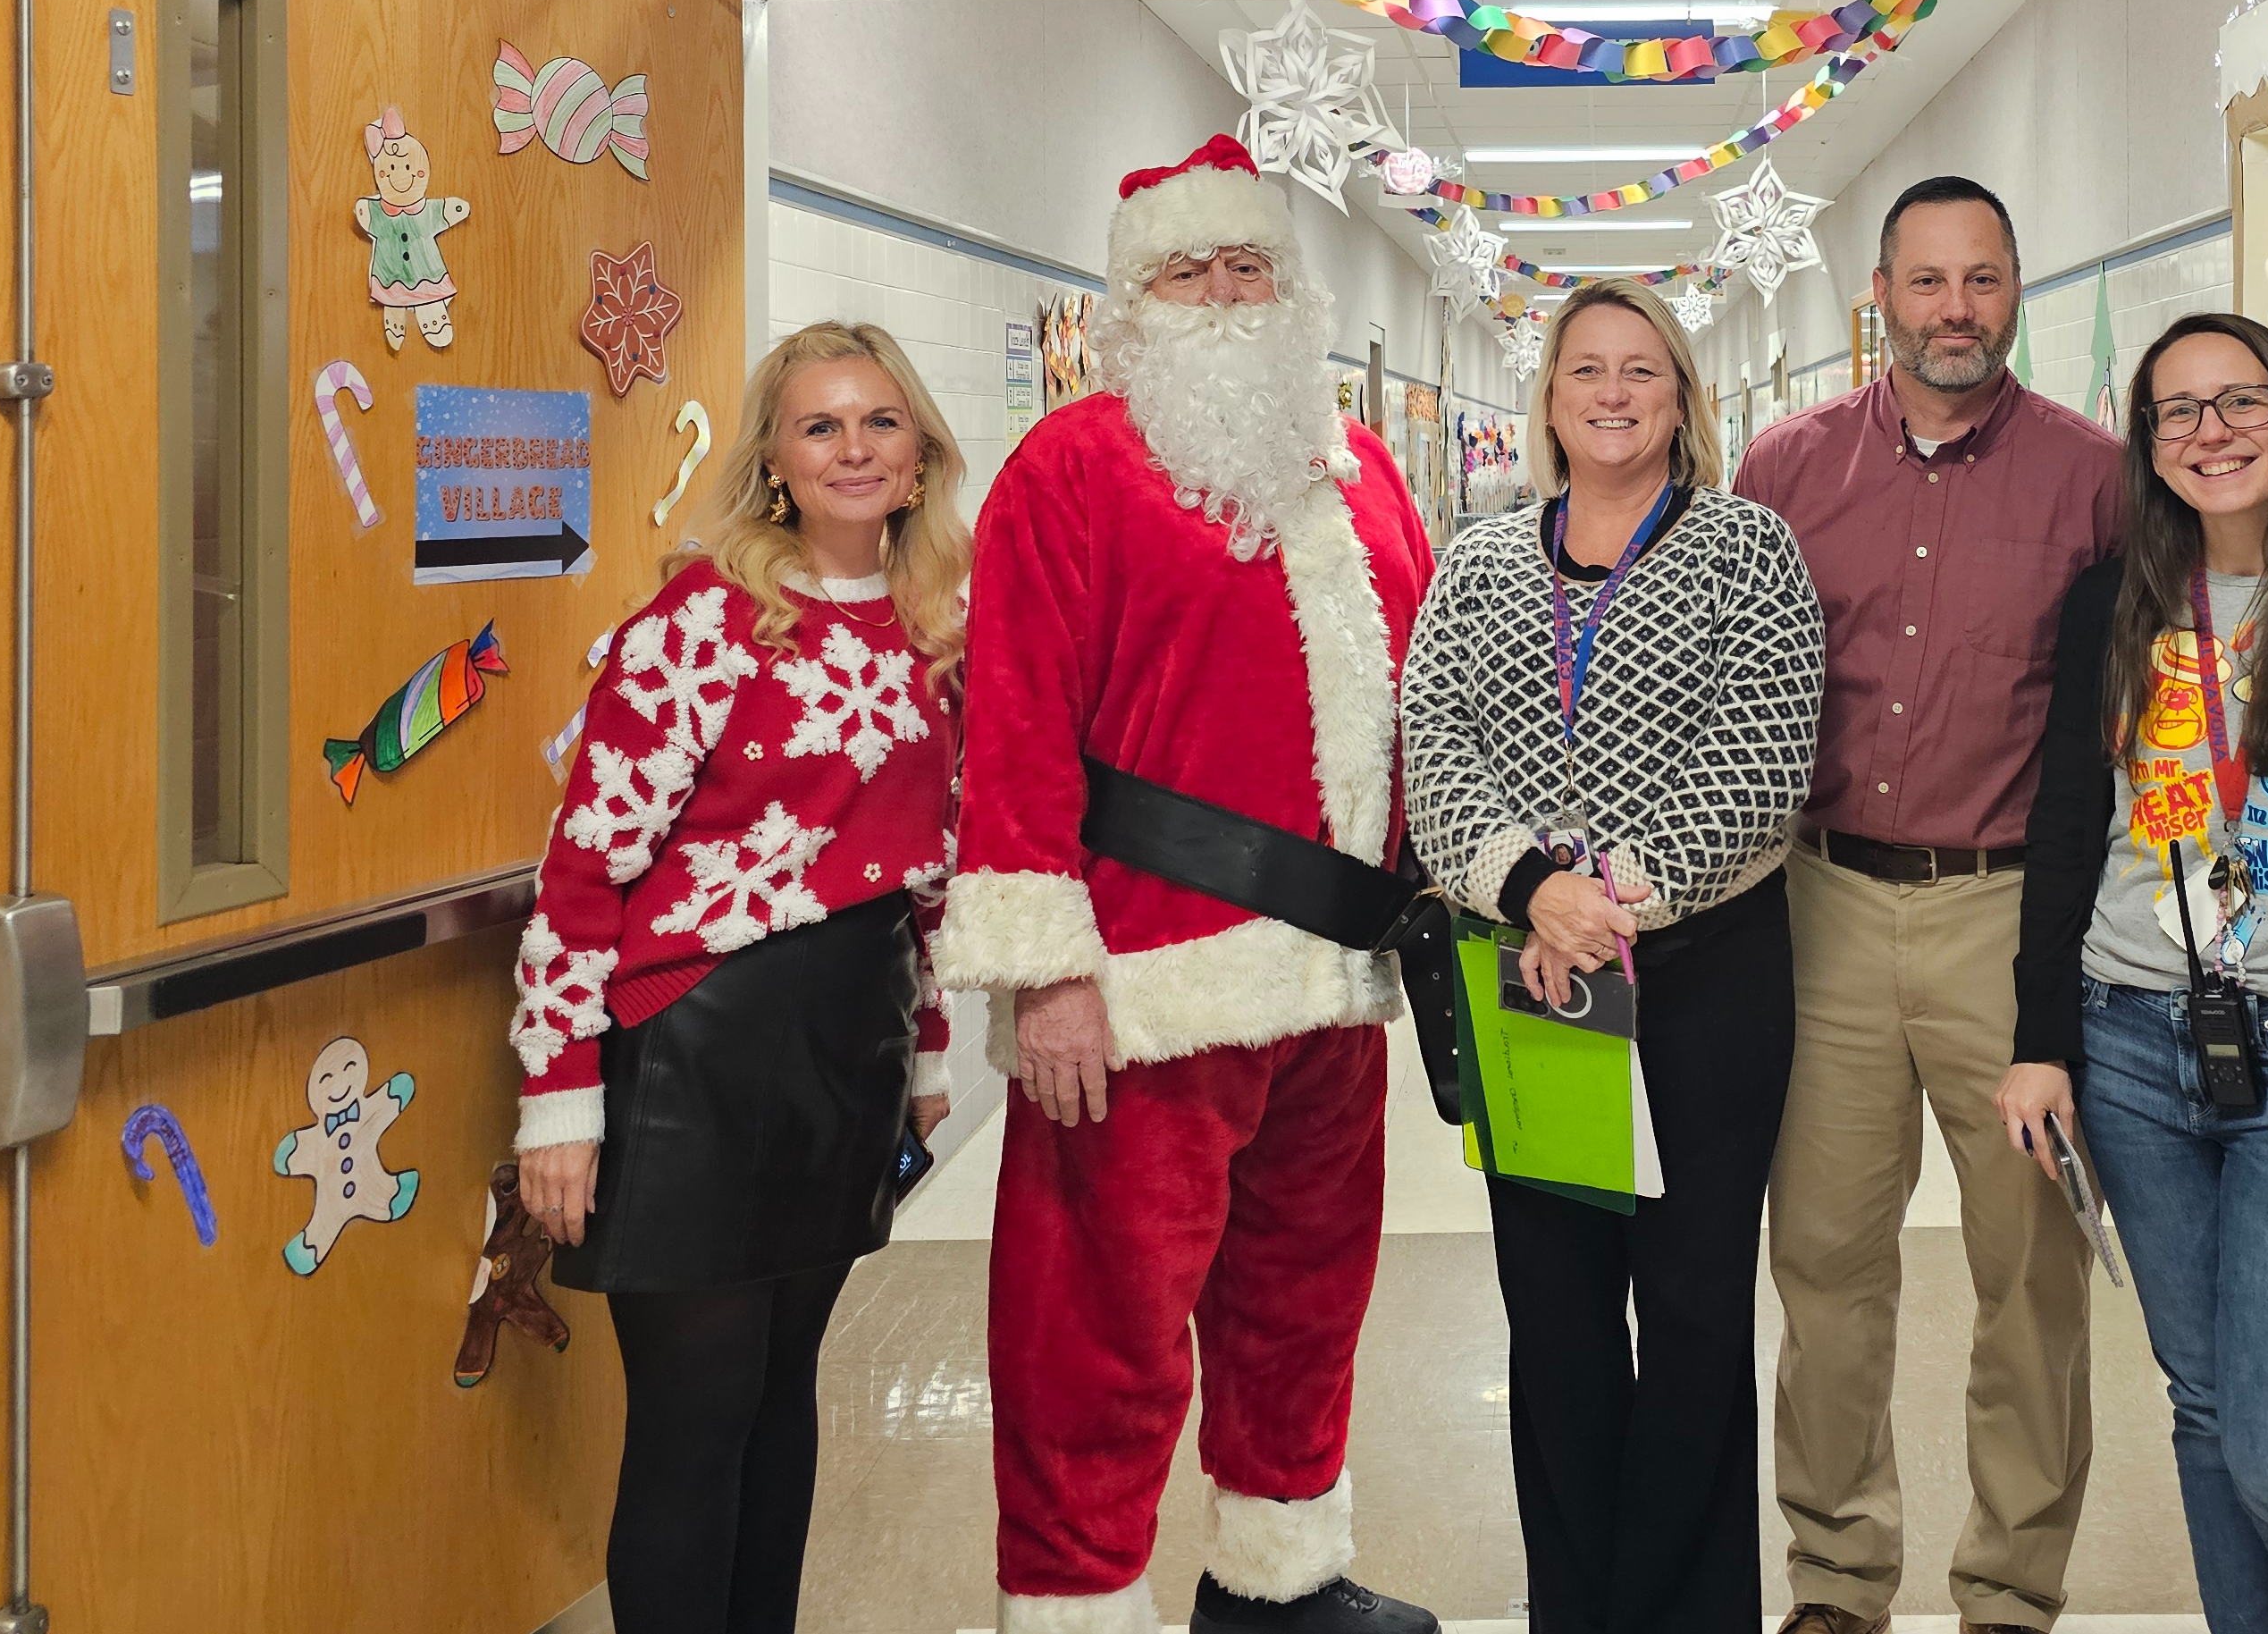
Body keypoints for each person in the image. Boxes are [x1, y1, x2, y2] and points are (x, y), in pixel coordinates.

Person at [935, 135, 1443, 1634]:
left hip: (1334, 981)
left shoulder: (1364, 481)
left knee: (1304, 1297)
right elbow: (1016, 723)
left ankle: (1278, 1581)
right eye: (1188, 270)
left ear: (1290, 296)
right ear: (1131, 301)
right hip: (1144, 981)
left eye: (1250, 269)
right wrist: (1045, 970)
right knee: (1099, 1329)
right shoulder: (1071, 469)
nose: (1223, 295)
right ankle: (1079, 1600)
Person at [508, 320, 971, 1634]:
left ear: (919, 449)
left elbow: (926, 874)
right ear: (774, 456)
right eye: (819, 425)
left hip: (849, 1054)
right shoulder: (701, 620)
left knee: (783, 1395)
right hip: (694, 1055)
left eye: (879, 422)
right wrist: (561, 1101)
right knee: (695, 1417)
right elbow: (583, 871)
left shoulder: (939, 624)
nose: (853, 449)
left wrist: (928, 1058)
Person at [1399, 278, 1826, 1633]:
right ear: (1551, 397)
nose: (1614, 392)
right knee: (1560, 1318)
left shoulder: (1749, 550)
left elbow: (1759, 764)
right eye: (1587, 368)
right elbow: (1436, 755)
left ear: (1682, 396)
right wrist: (1533, 893)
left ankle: (1687, 1611)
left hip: (1705, 983)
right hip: (1535, 986)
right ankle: (1577, 1609)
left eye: (1643, 368)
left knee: (1697, 1314)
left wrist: (1605, 899)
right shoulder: (1476, 561)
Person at [1731, 176, 2125, 1634]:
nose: (1955, 309)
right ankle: (1838, 1579)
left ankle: (2011, 1589)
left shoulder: (2095, 481)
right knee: (1826, 1260)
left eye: (1984, 280)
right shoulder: (1786, 467)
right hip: (1821, 905)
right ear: (1880, 296)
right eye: (1928, 281)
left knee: (2032, 1273)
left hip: (2012, 920)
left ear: (2015, 291)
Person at [1997, 314, 2268, 1634]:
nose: (2211, 434)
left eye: (2240, 402)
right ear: (2149, 447)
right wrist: (2041, 1040)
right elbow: (2060, 828)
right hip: (2132, 1036)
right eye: (2178, 414)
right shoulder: (2117, 602)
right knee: (2204, 1407)